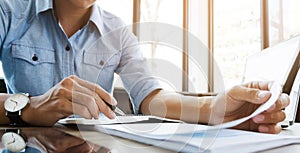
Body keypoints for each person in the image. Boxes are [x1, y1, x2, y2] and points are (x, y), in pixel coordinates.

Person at [0, 0, 289, 134]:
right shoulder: (9, 11)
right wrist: (28, 106)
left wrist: (214, 110)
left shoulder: (119, 31)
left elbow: (150, 97)